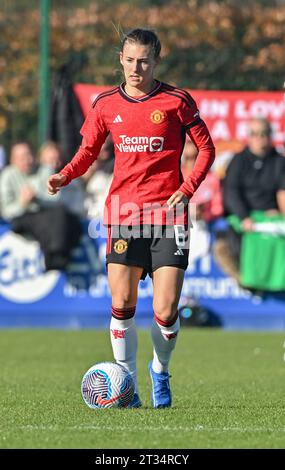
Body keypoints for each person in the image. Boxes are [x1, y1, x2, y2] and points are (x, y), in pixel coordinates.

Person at [47, 28, 215, 408]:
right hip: (124, 213)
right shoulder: (106, 104)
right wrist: (65, 174)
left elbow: (206, 148)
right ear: (120, 59)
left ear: (156, 61)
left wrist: (187, 190)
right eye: (130, 59)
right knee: (122, 302)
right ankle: (129, 385)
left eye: (144, 60)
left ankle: (160, 370)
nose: (136, 67)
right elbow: (88, 150)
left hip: (169, 214)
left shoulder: (176, 101)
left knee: (165, 309)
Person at [0, 141, 81, 271]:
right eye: (21, 158)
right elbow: (6, 211)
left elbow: (56, 199)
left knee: (62, 216)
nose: (27, 160)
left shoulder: (45, 170)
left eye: (28, 155)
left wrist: (37, 199)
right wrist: (23, 203)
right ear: (13, 160)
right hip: (22, 218)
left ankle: (56, 254)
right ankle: (55, 255)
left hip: (46, 216)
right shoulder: (7, 176)